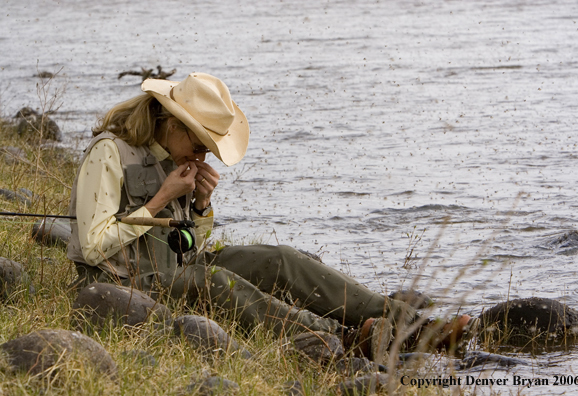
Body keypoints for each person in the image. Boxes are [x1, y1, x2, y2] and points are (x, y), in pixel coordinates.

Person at [67, 73, 473, 362]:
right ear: (171, 123)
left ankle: (415, 327)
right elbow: (91, 245)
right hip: (119, 287)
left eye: (208, 148)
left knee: (280, 259)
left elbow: (191, 247)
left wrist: (200, 207)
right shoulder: (109, 152)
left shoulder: (171, 156)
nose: (202, 156)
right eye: (198, 144)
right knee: (215, 280)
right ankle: (340, 341)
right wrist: (159, 201)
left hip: (173, 271)